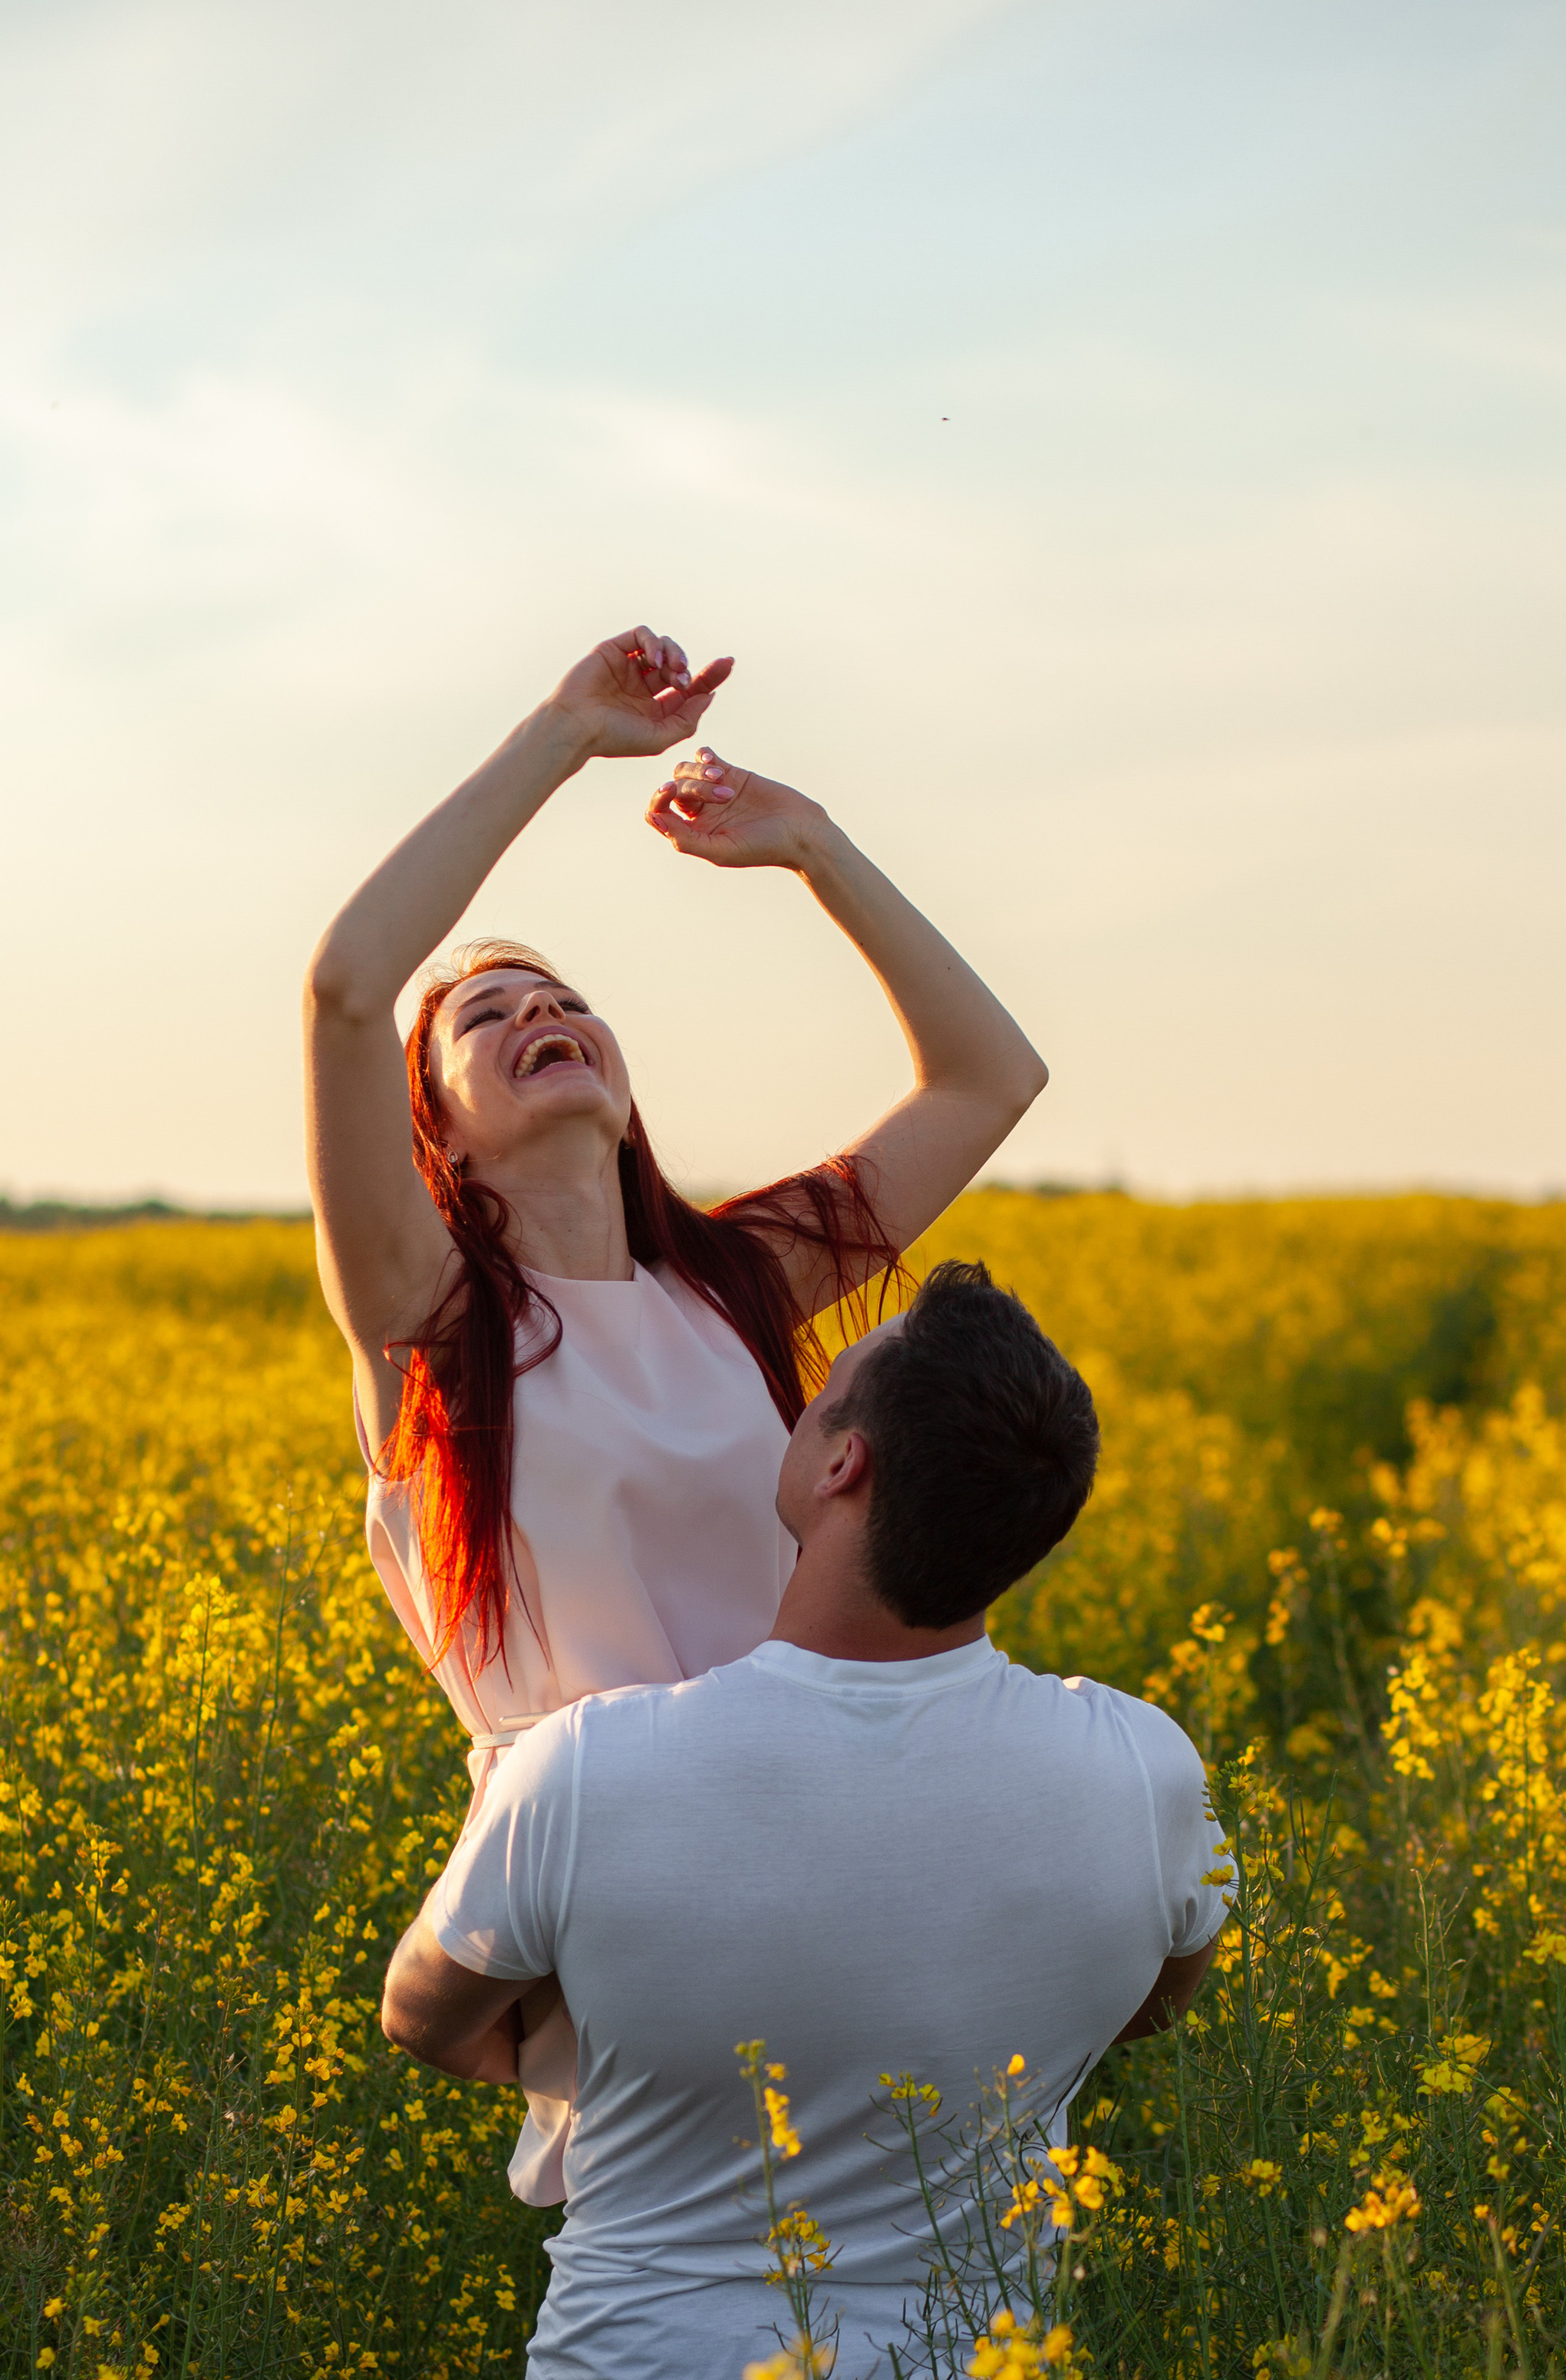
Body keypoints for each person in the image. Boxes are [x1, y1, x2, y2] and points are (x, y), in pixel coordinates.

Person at [381, 1263, 1235, 2380]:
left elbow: (426, 2011)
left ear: (838, 1465)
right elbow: (1155, 1998)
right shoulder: (1141, 1767)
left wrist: (600, 2058)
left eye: (824, 1391)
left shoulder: (592, 1765)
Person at [304, 625, 1046, 2200]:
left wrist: (814, 852)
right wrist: (562, 739)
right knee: (687, 2321)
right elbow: (345, 988)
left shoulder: (734, 1282)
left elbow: (988, 1079)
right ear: (426, 1122)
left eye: (559, 997)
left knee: (917, 2300)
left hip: (846, 1838)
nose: (534, 1013)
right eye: (483, 1019)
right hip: (615, 1892)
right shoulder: (431, 1328)